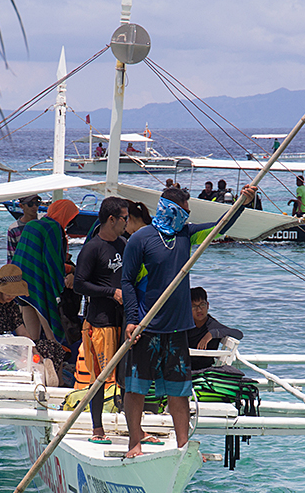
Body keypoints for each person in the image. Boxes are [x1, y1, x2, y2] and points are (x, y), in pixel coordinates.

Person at [121, 184, 255, 458]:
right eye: (186, 209)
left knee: (179, 389)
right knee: (136, 388)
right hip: (147, 328)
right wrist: (131, 320)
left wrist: (243, 202)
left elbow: (221, 225)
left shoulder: (186, 235)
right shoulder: (141, 239)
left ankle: (183, 447)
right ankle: (135, 442)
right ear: (172, 209)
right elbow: (128, 282)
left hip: (177, 329)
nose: (189, 214)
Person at [74, 197, 129, 444]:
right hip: (100, 321)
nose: (127, 222)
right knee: (100, 377)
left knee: (127, 376)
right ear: (111, 219)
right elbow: (78, 284)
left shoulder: (125, 245)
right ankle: (97, 428)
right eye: (124, 218)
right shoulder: (92, 248)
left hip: (124, 320)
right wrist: (110, 292)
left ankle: (133, 428)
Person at [11, 198, 80, 345]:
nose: (70, 222)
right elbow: (53, 262)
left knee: (31, 337)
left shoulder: (32, 224)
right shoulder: (53, 228)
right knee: (52, 334)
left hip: (22, 284)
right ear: (64, 214)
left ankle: (31, 363)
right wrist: (72, 270)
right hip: (39, 285)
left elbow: (27, 256)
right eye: (70, 218)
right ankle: (54, 365)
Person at [187, 287, 244, 370]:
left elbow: (239, 334)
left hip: (204, 370)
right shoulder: (185, 325)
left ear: (208, 305)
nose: (199, 310)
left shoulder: (212, 325)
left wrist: (211, 334)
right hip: (183, 368)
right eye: (194, 306)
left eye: (202, 305)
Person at [7, 194, 40, 263]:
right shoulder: (14, 229)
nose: (34, 207)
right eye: (30, 204)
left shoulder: (43, 222)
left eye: (37, 203)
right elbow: (11, 256)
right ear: (21, 206)